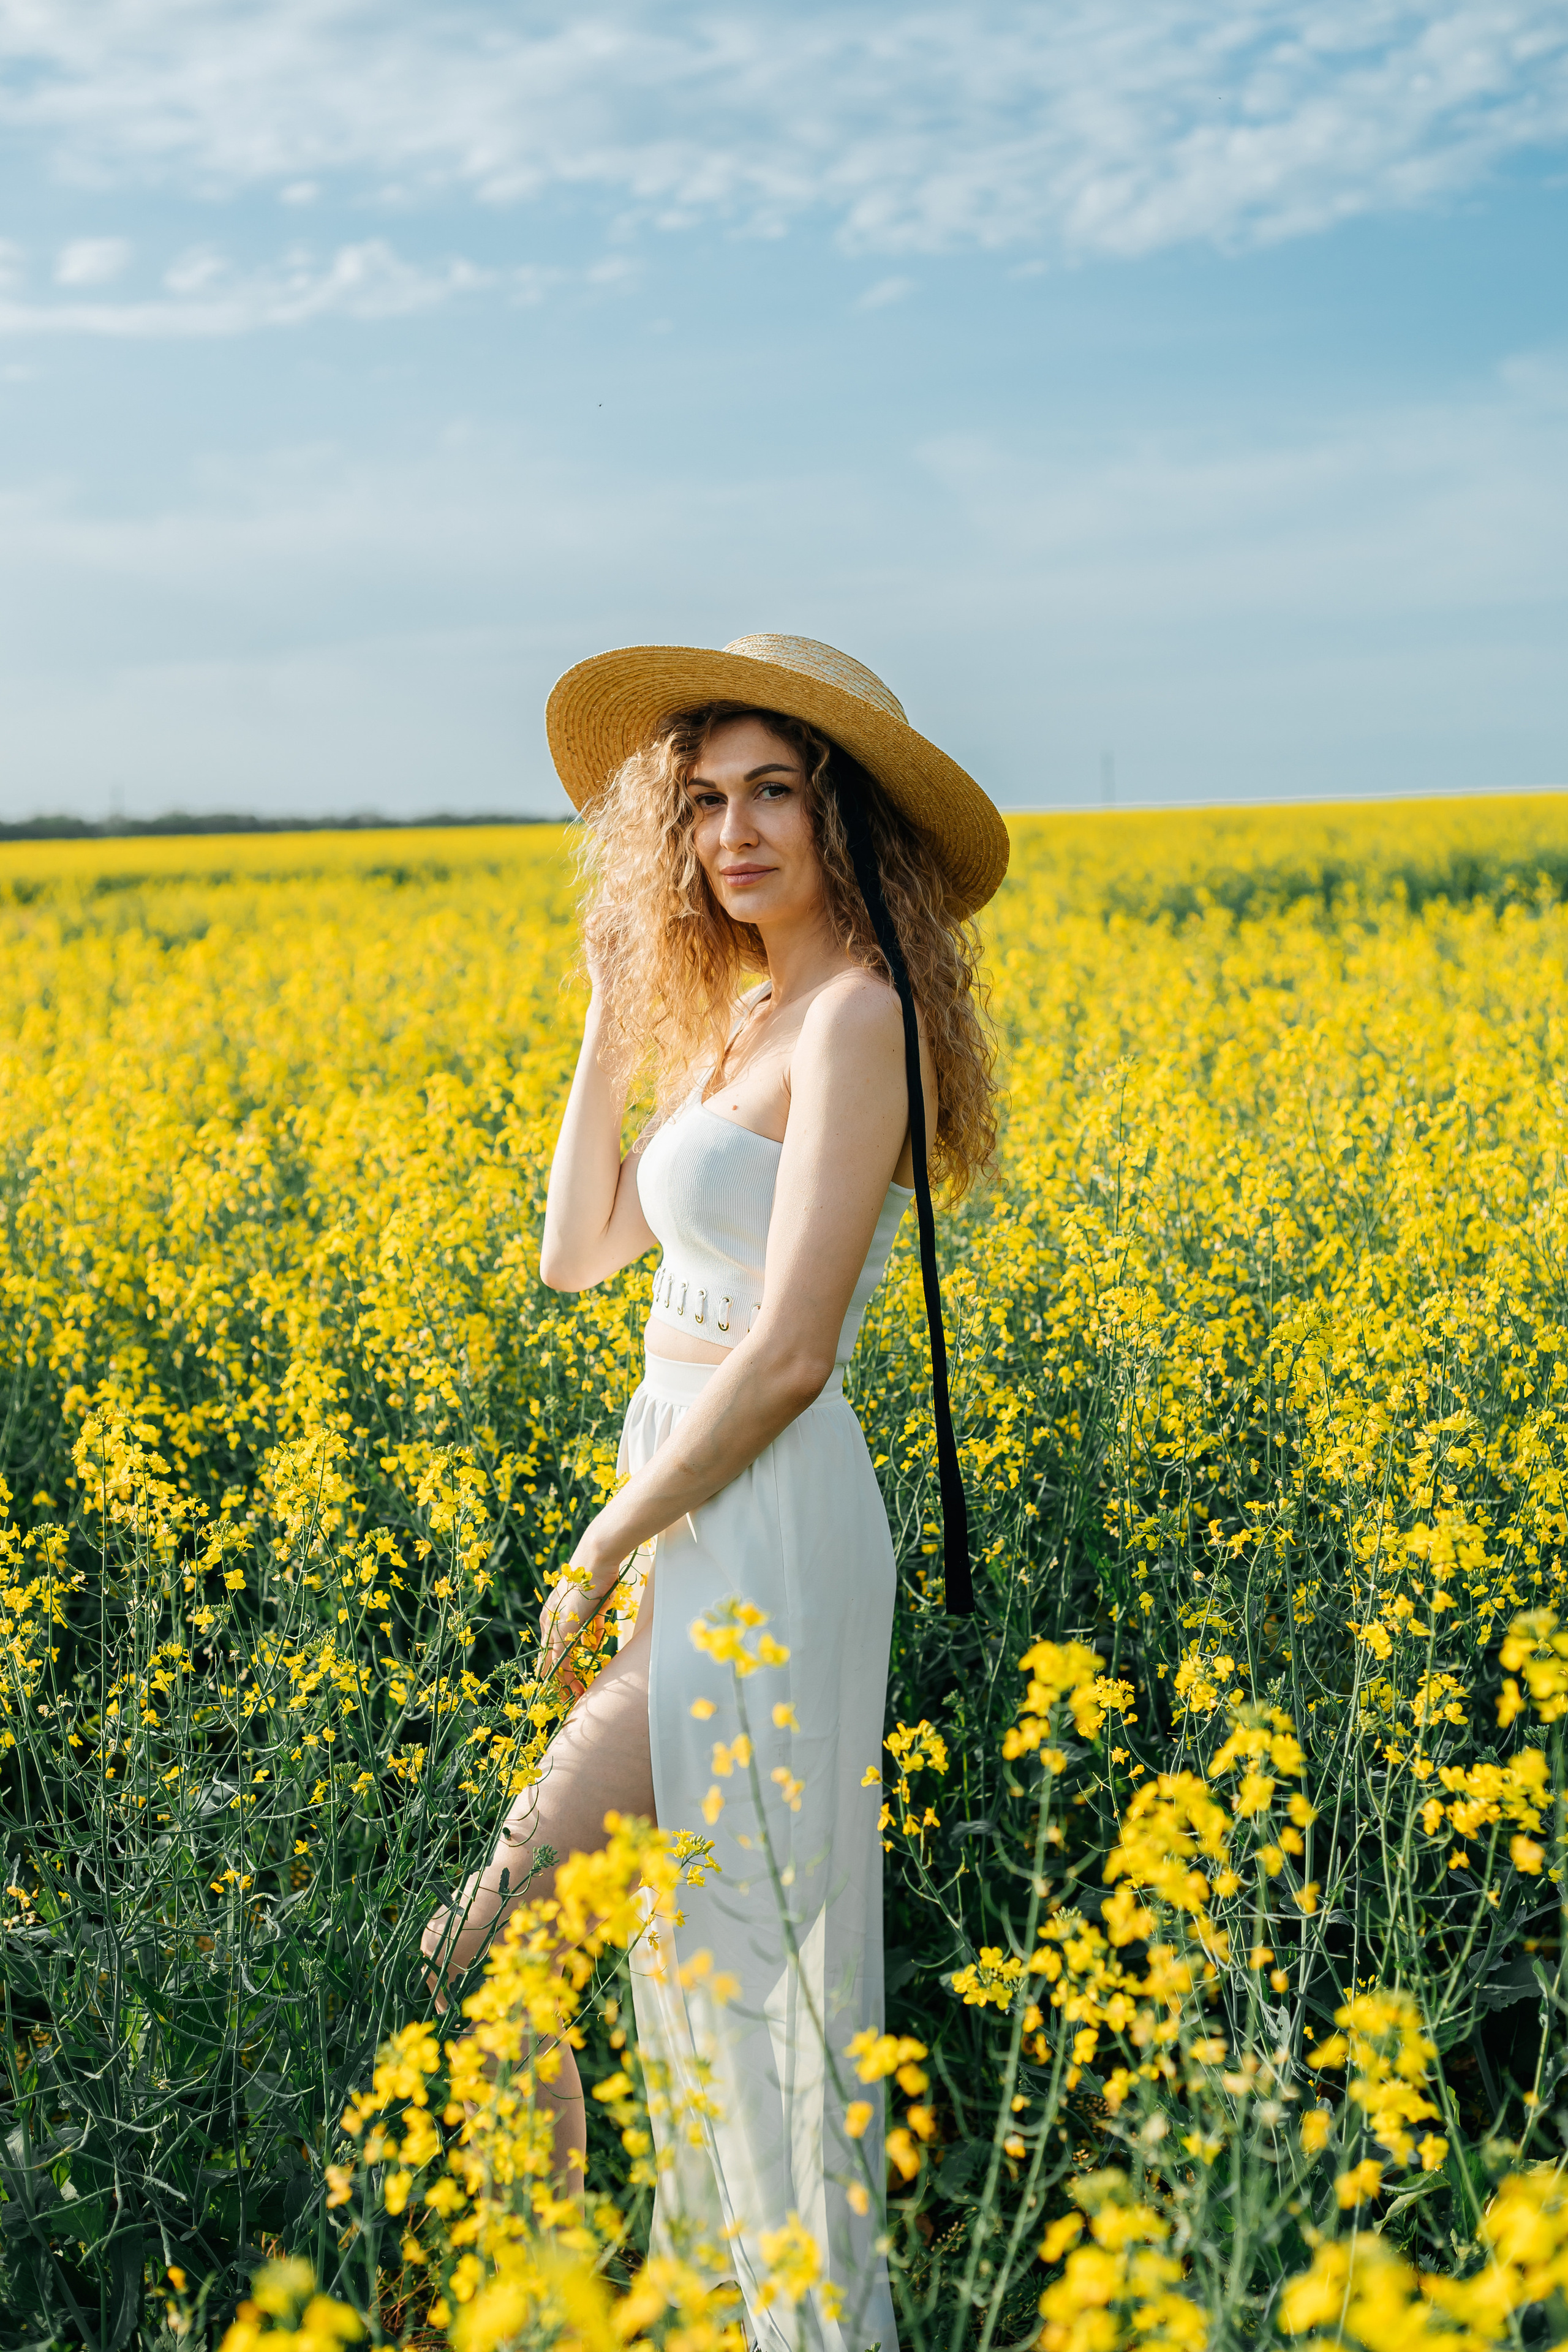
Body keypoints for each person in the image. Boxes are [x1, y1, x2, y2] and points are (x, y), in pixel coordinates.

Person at [422, 634, 1008, 2350]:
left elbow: (795, 1352)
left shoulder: (860, 1019)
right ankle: (627, 2312)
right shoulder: (740, 1012)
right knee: (646, 1953)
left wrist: (611, 1539)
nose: (735, 832)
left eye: (774, 794)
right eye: (703, 802)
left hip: (759, 1520)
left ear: (847, 827)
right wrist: (613, 1011)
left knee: (662, 1953)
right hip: (684, 1498)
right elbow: (576, 1254)